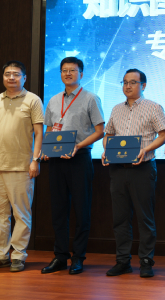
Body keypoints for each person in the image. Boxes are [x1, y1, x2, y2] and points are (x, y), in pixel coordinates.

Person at [0, 60, 44, 273]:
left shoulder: (32, 100)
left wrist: (35, 160)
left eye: (16, 74)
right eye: (7, 74)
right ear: (3, 77)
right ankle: (0, 255)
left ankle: (18, 256)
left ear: (24, 78)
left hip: (22, 167)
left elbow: (39, 133)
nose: (11, 78)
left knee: (21, 215)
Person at [40, 57, 104, 275]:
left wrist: (78, 146)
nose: (68, 73)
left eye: (73, 70)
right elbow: (50, 129)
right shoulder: (53, 100)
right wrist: (46, 149)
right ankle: (60, 256)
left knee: (81, 209)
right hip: (56, 160)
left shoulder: (91, 98)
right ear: (60, 74)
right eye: (64, 70)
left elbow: (100, 131)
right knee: (59, 210)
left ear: (81, 74)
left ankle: (78, 257)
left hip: (79, 158)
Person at [102, 69, 165, 278]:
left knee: (144, 218)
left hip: (143, 168)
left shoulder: (153, 107)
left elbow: (164, 135)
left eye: (133, 82)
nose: (128, 86)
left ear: (143, 85)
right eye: (124, 82)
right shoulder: (116, 109)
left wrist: (145, 149)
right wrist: (106, 150)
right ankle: (123, 261)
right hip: (118, 169)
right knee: (120, 218)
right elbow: (108, 134)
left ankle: (146, 261)